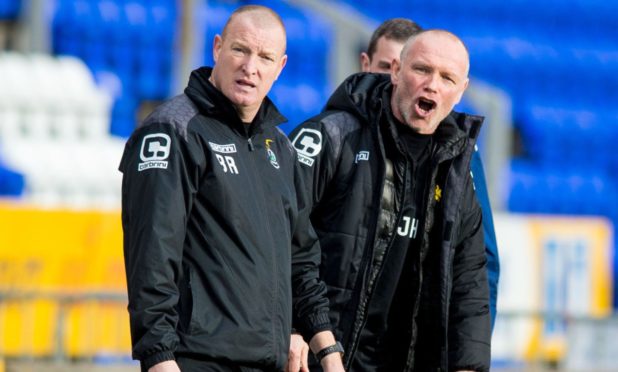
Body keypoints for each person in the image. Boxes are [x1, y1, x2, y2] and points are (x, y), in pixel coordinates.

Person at [119, 5, 344, 372]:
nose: (250, 67)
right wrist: (159, 357)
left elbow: (300, 258)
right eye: (240, 50)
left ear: (280, 67)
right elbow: (152, 258)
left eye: (265, 57)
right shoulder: (173, 131)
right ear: (218, 48)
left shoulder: (280, 148)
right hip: (196, 359)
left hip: (268, 361)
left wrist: (326, 346)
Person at [289, 30, 491, 371]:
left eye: (447, 77)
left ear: (461, 91)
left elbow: (469, 277)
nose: (432, 84)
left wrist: (467, 365)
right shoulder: (333, 135)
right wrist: (294, 326)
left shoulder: (456, 168)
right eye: (422, 70)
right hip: (320, 357)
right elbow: (280, 237)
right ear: (396, 71)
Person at [361, 18, 500, 332]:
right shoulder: (337, 136)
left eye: (439, 74)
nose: (392, 82)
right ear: (367, 65)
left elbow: (481, 261)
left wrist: (470, 354)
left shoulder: (458, 152)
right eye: (386, 67)